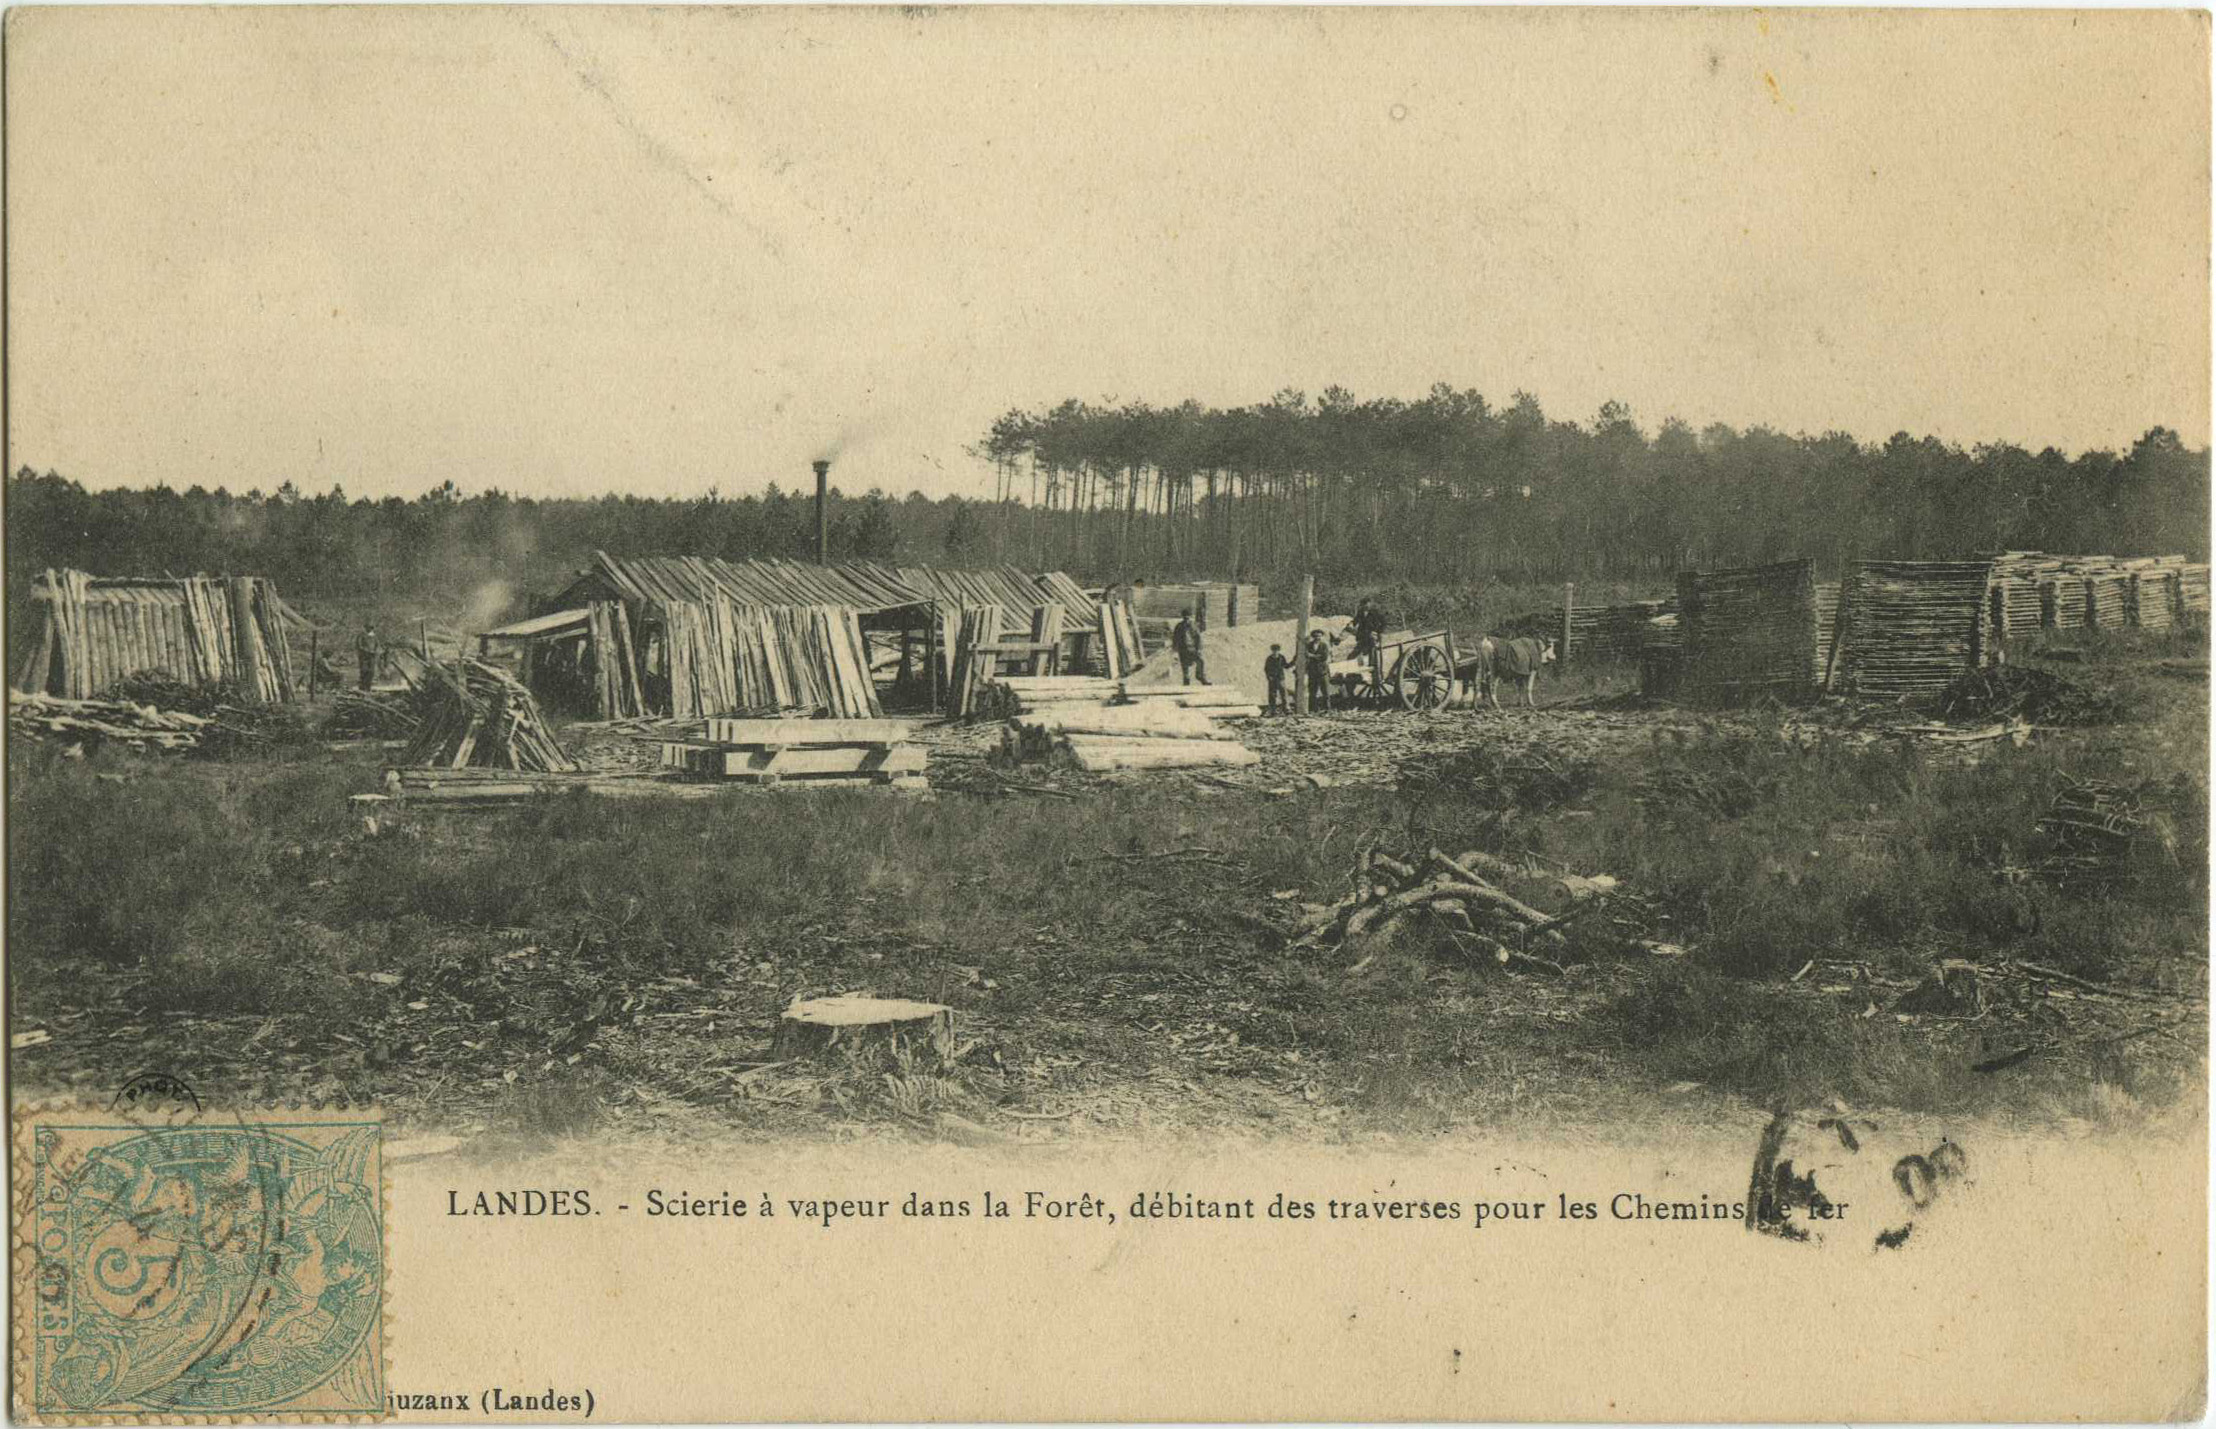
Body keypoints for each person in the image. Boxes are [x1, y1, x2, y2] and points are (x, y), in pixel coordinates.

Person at [1170, 609, 1209, 686]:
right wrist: (1175, 650)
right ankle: (1186, 680)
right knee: (1185, 665)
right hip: (1183, 649)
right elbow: (1175, 638)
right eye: (1185, 618)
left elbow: (1198, 637)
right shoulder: (1179, 626)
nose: (1186, 619)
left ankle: (1200, 676)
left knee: (1200, 661)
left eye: (1188, 618)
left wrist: (1199, 648)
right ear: (1183, 617)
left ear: (1190, 617)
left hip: (1193, 648)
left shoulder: (1194, 626)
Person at [1303, 628, 1334, 712]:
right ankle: (1313, 709)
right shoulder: (1309, 645)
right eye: (1316, 636)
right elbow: (1305, 655)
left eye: (1319, 636)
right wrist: (1314, 656)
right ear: (1313, 637)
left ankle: (1327, 708)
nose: (1318, 638)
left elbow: (1324, 657)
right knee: (1313, 691)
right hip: (1312, 671)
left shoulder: (1324, 645)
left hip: (1323, 671)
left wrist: (1312, 656)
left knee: (1325, 691)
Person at [1263, 643, 1291, 713]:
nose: (1275, 652)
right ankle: (1273, 710)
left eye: (1277, 650)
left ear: (1279, 650)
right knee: (1272, 694)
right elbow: (1266, 669)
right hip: (1272, 678)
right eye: (1274, 650)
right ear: (1272, 651)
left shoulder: (1281, 657)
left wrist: (1293, 662)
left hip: (1280, 677)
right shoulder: (1269, 658)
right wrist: (1269, 676)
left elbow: (1286, 666)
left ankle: (1286, 709)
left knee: (1283, 693)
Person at [354, 625, 383, 691]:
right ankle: (362, 687)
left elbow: (378, 645)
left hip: (372, 656)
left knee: (371, 671)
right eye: (368, 628)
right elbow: (359, 645)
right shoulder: (361, 636)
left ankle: (368, 686)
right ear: (365, 628)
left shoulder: (374, 636)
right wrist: (366, 651)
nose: (370, 629)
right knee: (364, 670)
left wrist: (376, 651)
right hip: (364, 656)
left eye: (371, 628)